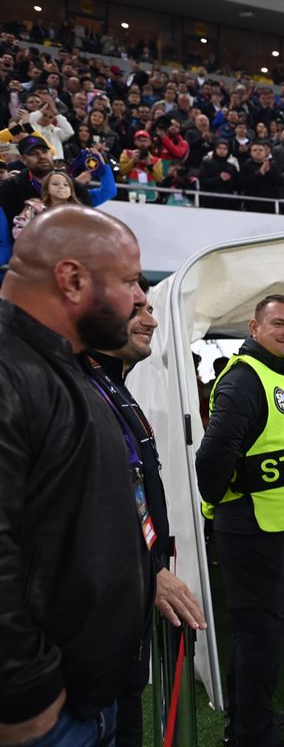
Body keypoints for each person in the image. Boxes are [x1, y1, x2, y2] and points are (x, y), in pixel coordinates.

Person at [0, 205, 150, 746]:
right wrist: (25, 694)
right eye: (130, 282)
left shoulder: (63, 363)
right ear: (72, 280)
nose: (138, 299)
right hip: (46, 715)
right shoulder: (13, 370)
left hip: (84, 696)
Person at [83, 279, 207, 747]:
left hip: (122, 623)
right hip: (90, 636)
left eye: (149, 308)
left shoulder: (111, 385)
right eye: (136, 309)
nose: (152, 321)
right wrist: (146, 572)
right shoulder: (79, 390)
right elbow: (83, 512)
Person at [196, 294, 284, 747]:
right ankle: (251, 733)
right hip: (253, 526)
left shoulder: (273, 372)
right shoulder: (245, 379)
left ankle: (252, 715)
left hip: (269, 525)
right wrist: (219, 502)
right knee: (260, 633)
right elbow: (212, 455)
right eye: (279, 324)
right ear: (254, 328)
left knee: (258, 630)